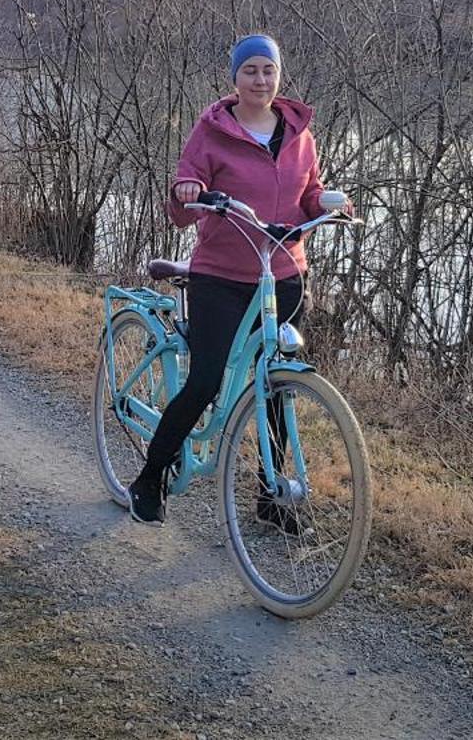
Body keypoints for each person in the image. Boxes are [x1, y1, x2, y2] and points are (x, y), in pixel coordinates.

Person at [128, 33, 342, 526]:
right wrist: (189, 189)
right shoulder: (212, 129)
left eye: (268, 70)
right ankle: (150, 476)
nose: (260, 79)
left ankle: (271, 497)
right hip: (221, 276)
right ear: (235, 77)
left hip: (284, 274)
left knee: (277, 385)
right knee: (206, 379)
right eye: (250, 70)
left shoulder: (299, 133)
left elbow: (309, 191)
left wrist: (327, 206)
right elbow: (185, 197)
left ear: (279, 75)